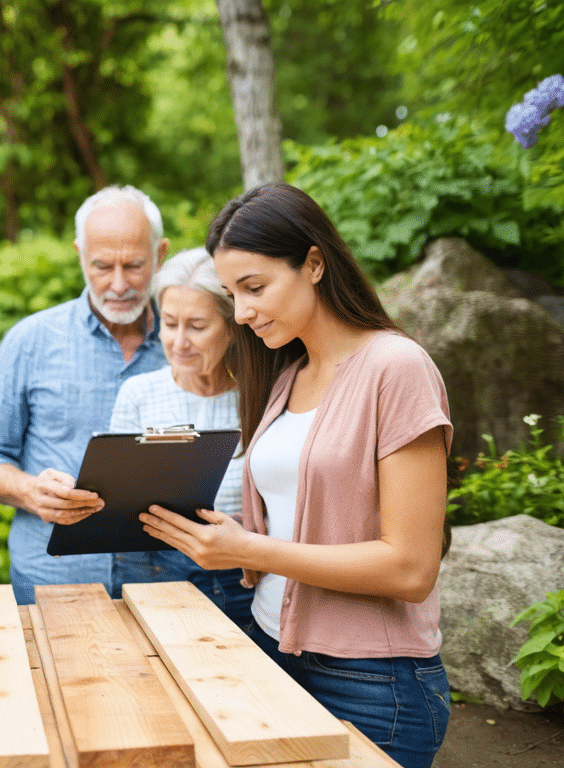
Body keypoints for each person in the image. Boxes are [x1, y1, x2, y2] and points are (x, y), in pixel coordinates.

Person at [139, 183, 452, 767]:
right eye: (232, 293)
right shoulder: (287, 376)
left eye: (255, 287)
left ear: (314, 263)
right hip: (270, 647)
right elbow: (297, 520)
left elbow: (411, 567)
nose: (242, 312)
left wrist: (249, 547)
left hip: (370, 680)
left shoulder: (396, 368)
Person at [0, 185, 170, 605]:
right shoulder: (31, 340)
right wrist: (29, 491)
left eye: (133, 265)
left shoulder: (190, 343)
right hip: (53, 577)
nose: (118, 284)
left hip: (167, 578)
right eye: (101, 266)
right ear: (79, 255)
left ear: (161, 255)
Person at [106, 248, 253, 628]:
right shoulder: (138, 393)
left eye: (198, 326)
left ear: (232, 326)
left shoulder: (259, 399)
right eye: (170, 324)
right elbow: (115, 498)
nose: (180, 342)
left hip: (243, 579)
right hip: (153, 572)